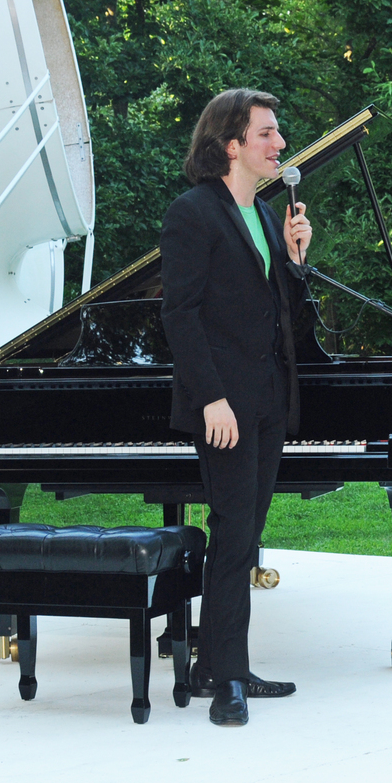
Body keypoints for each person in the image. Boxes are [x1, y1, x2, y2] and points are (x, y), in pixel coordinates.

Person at [160, 88, 312, 727]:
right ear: (232, 145)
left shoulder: (264, 216)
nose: (281, 144)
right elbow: (181, 316)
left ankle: (219, 664)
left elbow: (283, 319)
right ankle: (226, 682)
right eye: (268, 134)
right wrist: (212, 399)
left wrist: (296, 262)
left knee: (244, 538)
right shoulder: (193, 213)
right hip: (225, 405)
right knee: (231, 538)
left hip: (268, 402)